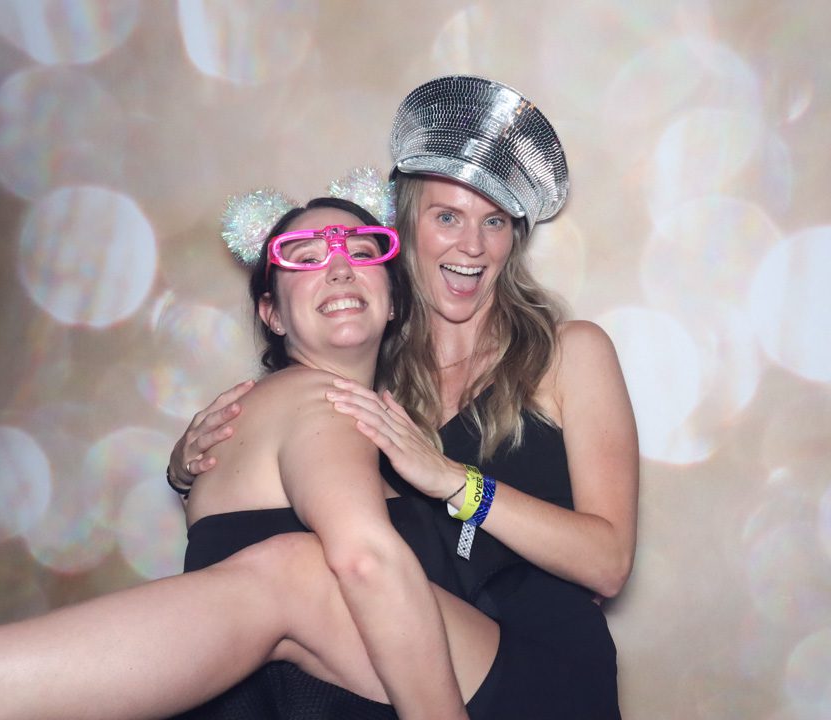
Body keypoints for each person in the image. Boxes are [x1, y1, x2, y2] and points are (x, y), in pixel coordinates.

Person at [171, 75, 639, 717]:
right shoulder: (369, 379)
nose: (472, 245)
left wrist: (452, 481)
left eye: (494, 221)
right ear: (406, 226)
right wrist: (188, 466)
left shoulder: (569, 353)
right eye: (447, 217)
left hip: (541, 665)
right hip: (411, 673)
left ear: (514, 238)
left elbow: (608, 563)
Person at [0, 195, 512, 720]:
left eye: (360, 253)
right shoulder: (322, 400)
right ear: (272, 314)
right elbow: (365, 559)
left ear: (393, 300)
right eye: (307, 259)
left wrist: (179, 477)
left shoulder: (274, 424)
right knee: (298, 569)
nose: (339, 269)